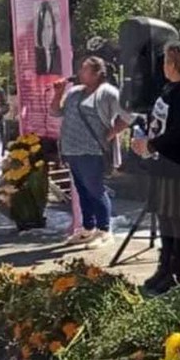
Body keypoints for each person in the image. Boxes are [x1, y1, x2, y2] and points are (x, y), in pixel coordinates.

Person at [132, 42, 180, 294]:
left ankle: (178, 270)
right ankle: (164, 267)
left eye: (165, 62)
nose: (163, 66)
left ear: (173, 65)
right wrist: (145, 143)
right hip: (162, 163)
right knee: (164, 216)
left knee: (177, 218)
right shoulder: (169, 88)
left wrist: (151, 145)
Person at [52, 57, 130, 247]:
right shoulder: (74, 92)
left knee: (95, 188)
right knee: (82, 190)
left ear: (97, 74)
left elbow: (128, 115)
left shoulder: (108, 93)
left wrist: (111, 133)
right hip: (72, 149)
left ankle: (104, 230)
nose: (80, 73)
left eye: (85, 70)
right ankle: (88, 228)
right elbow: (55, 112)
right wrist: (58, 93)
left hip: (92, 149)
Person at [35, 1, 62, 75]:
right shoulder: (36, 56)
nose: (46, 32)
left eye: (49, 27)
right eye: (43, 28)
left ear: (54, 29)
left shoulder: (58, 54)